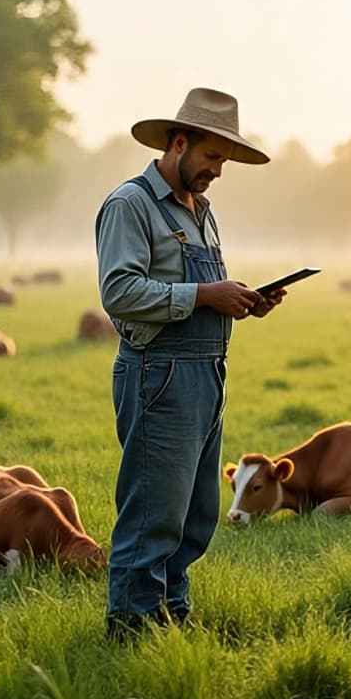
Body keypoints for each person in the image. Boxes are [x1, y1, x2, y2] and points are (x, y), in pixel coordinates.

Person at [96, 87, 284, 638]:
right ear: (178, 143)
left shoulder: (203, 210)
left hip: (207, 371)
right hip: (159, 373)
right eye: (212, 156)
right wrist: (206, 295)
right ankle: (132, 630)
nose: (218, 171)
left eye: (224, 161)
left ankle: (172, 618)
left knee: (196, 515)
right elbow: (119, 292)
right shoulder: (130, 205)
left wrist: (244, 302)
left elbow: (200, 293)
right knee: (154, 514)